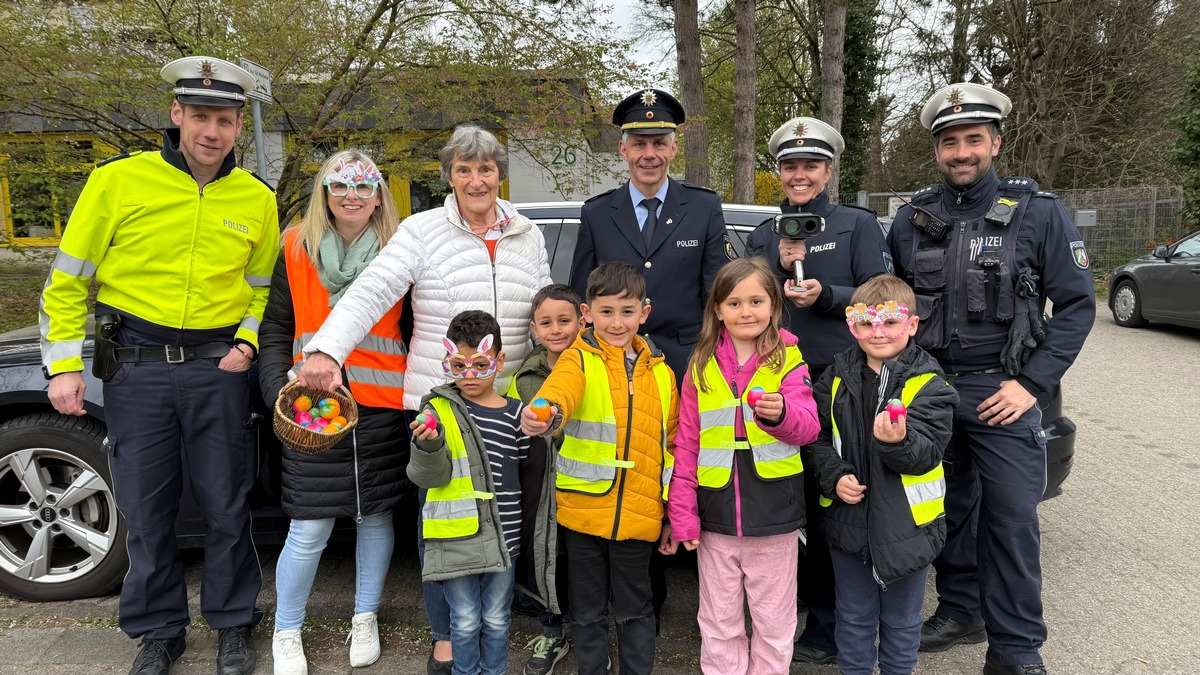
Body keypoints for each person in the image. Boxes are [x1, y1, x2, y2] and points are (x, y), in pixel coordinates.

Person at [39, 56, 276, 675]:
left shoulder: (256, 198)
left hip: (217, 370)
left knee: (227, 506)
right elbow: (66, 283)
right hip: (136, 367)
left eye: (224, 120)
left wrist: (246, 345)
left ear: (236, 127)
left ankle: (231, 624)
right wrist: (63, 365)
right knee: (146, 510)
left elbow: (261, 289)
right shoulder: (116, 182)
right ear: (176, 115)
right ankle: (159, 630)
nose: (212, 132)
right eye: (200, 116)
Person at [294, 124, 552, 673]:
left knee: (502, 520)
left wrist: (547, 386)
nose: (476, 180)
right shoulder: (420, 230)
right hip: (442, 405)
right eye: (464, 169)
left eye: (485, 169)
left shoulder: (528, 232)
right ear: (449, 176)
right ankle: (445, 637)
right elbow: (371, 292)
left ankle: (492, 627)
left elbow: (542, 319)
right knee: (442, 522)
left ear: (499, 173)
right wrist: (327, 352)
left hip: (506, 409)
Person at [888, 82, 1096, 675]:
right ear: (937, 151)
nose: (961, 152)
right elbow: (890, 303)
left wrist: (1031, 386)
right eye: (949, 142)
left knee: (1010, 519)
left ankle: (1016, 649)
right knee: (941, 509)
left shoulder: (1037, 213)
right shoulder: (911, 219)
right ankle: (959, 610)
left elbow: (1078, 306)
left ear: (995, 142)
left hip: (1000, 388)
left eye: (972, 140)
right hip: (926, 388)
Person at [744, 116, 893, 665]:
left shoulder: (857, 226)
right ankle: (802, 612)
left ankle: (835, 624)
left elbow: (880, 300)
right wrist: (771, 267)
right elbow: (745, 302)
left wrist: (826, 294)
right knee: (794, 505)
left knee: (837, 504)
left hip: (839, 386)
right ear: (778, 173)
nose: (799, 175)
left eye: (810, 165)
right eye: (789, 166)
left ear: (828, 171)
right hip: (779, 386)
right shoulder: (766, 233)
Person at [257, 151, 410, 674]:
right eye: (341, 186)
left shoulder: (398, 247)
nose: (352, 196)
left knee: (375, 517)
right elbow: (276, 326)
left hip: (382, 407)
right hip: (311, 407)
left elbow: (415, 327)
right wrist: (277, 383)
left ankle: (364, 617)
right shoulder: (296, 246)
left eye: (364, 188)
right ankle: (287, 629)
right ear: (324, 192)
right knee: (310, 526)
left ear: (379, 196)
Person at [520, 261, 679, 675]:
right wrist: (546, 414)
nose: (616, 322)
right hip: (582, 512)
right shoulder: (578, 359)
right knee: (587, 612)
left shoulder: (663, 373)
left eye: (627, 312)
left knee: (636, 611)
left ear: (644, 313)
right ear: (588, 313)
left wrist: (671, 512)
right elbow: (559, 394)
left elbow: (674, 447)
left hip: (641, 517)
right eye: (606, 311)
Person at [664, 257, 820, 674]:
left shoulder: (788, 358)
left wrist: (780, 413)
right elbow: (686, 444)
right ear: (717, 309)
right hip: (714, 518)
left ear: (773, 305)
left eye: (756, 301)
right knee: (718, 621)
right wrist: (682, 514)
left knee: (773, 621)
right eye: (733, 303)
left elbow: (807, 428)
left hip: (774, 516)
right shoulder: (699, 366)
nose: (745, 311)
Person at [806, 274, 959, 675]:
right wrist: (834, 475)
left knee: (902, 622)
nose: (878, 333)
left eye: (890, 322)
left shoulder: (930, 383)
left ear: (911, 324)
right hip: (848, 524)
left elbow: (927, 455)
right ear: (851, 325)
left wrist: (897, 442)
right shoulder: (835, 377)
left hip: (909, 530)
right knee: (853, 619)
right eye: (867, 322)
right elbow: (815, 437)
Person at [569, 88, 730, 384]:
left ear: (674, 148)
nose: (649, 155)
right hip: (614, 361)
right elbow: (581, 294)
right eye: (639, 144)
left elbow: (718, 291)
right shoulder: (597, 213)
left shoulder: (703, 208)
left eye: (659, 143)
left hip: (687, 363)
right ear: (623, 149)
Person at [407, 311, 536, 675]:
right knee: (463, 620)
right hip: (455, 538)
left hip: (504, 538)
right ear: (446, 360)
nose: (468, 376)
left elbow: (524, 468)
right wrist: (429, 445)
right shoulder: (436, 410)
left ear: (499, 362)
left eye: (480, 364)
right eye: (458, 365)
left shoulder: (516, 414)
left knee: (496, 619)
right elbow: (426, 477)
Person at [506, 284, 584, 675]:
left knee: (583, 566)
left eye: (564, 320)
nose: (556, 330)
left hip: (585, 491)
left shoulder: (596, 367)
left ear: (582, 320)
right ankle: (552, 633)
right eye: (546, 323)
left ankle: (589, 638)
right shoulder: (524, 377)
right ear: (534, 329)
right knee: (544, 560)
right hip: (539, 493)